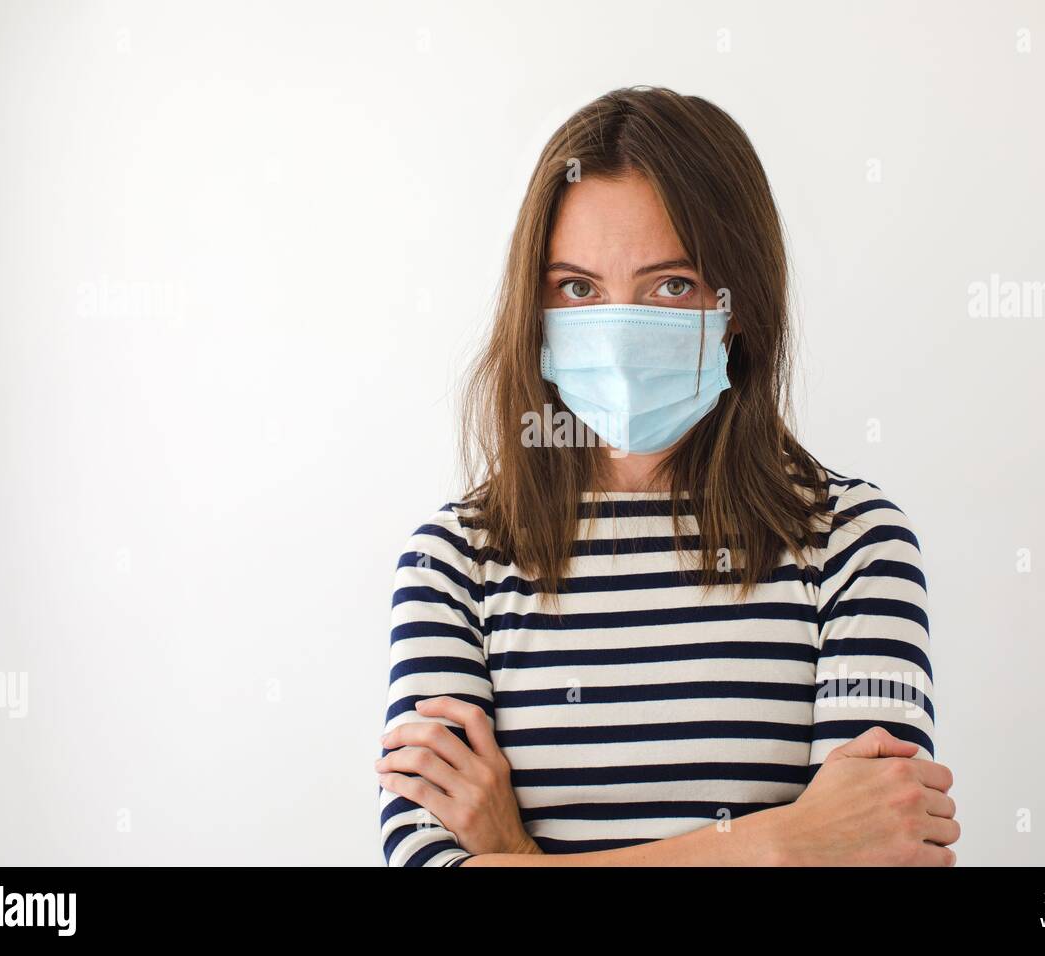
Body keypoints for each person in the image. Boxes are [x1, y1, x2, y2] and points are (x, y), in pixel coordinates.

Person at [376, 86, 958, 866]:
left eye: (671, 285)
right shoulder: (451, 562)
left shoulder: (854, 546)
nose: (617, 335)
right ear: (536, 306)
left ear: (739, 301)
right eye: (578, 288)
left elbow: (878, 851)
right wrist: (786, 844)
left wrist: (513, 850)